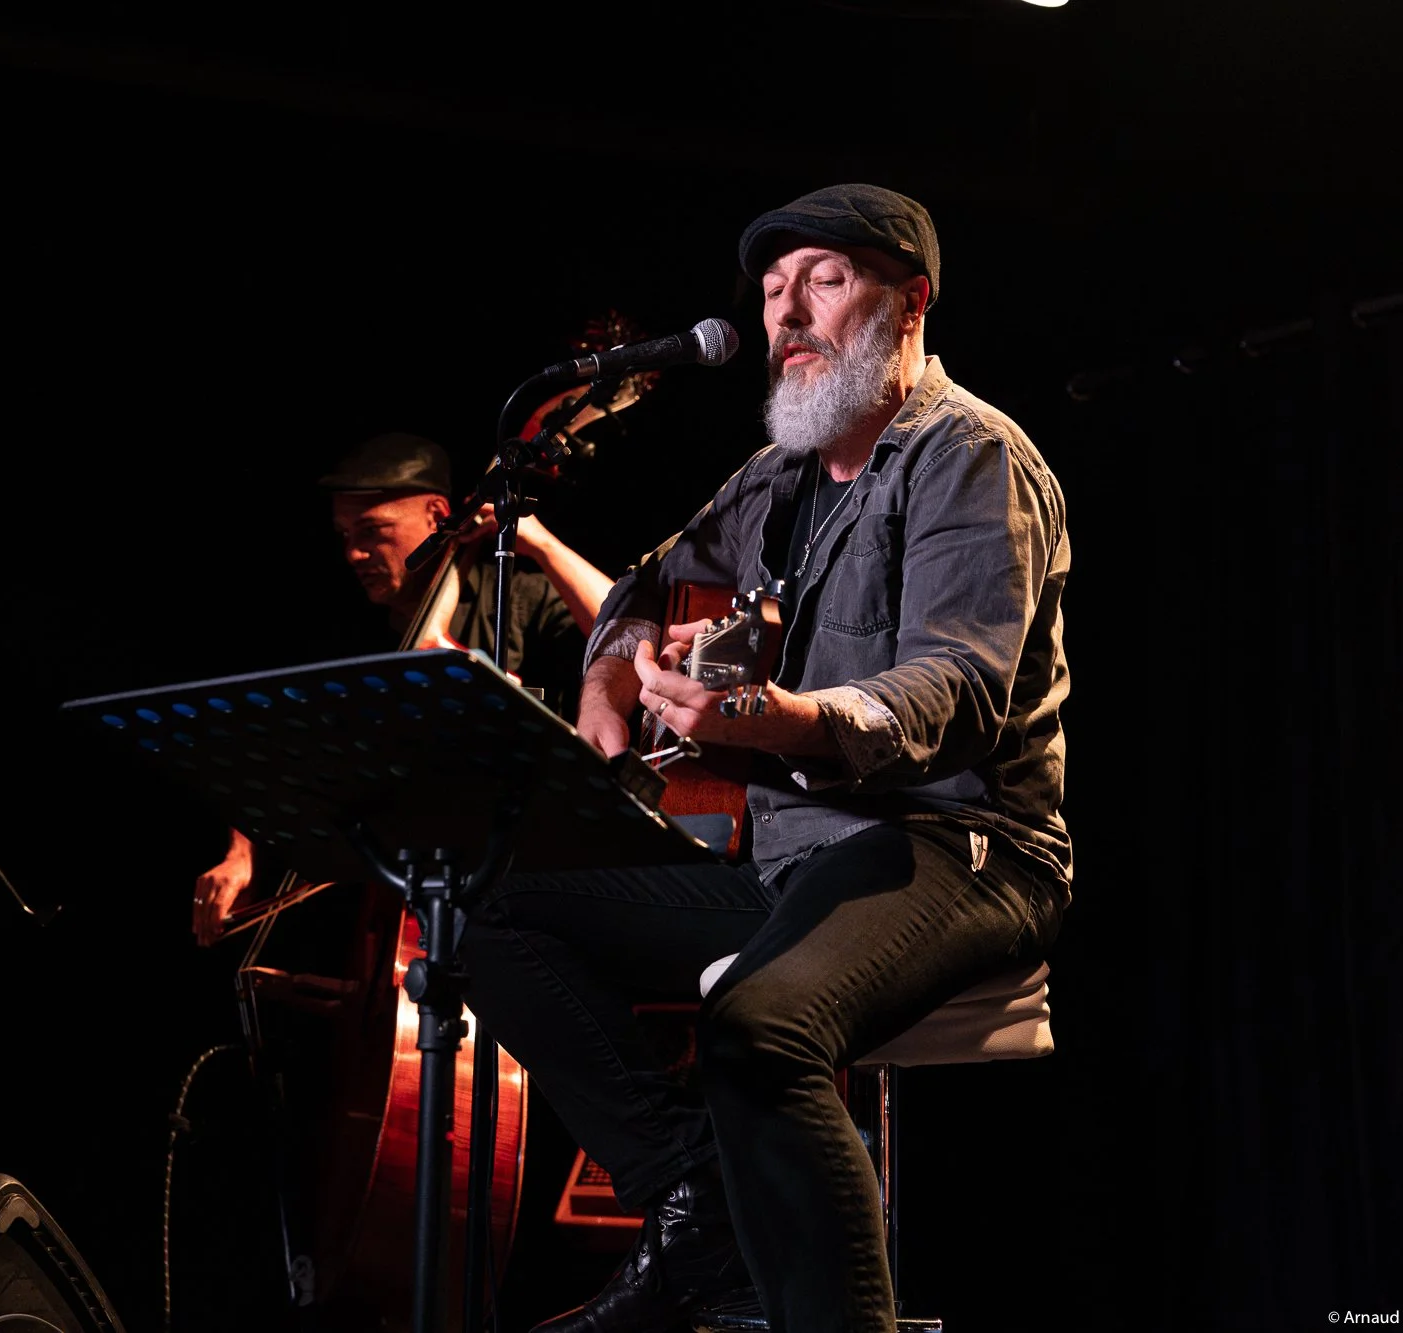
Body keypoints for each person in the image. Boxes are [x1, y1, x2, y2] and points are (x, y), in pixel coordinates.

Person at [454, 184, 1073, 1331]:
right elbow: (642, 585)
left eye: (822, 282)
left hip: (956, 847)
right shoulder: (775, 477)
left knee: (759, 1024)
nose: (785, 313)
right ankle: (692, 1201)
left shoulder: (969, 458)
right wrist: (603, 679)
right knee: (480, 907)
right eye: (773, 290)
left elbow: (956, 690)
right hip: (796, 864)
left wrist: (775, 719)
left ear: (909, 302)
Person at [192, 431, 613, 945]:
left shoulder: (516, 597)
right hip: (400, 905)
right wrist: (241, 852)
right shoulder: (352, 634)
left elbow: (626, 637)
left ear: (437, 514)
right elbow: (284, 752)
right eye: (344, 535)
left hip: (532, 886)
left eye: (373, 531)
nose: (354, 553)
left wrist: (540, 543)